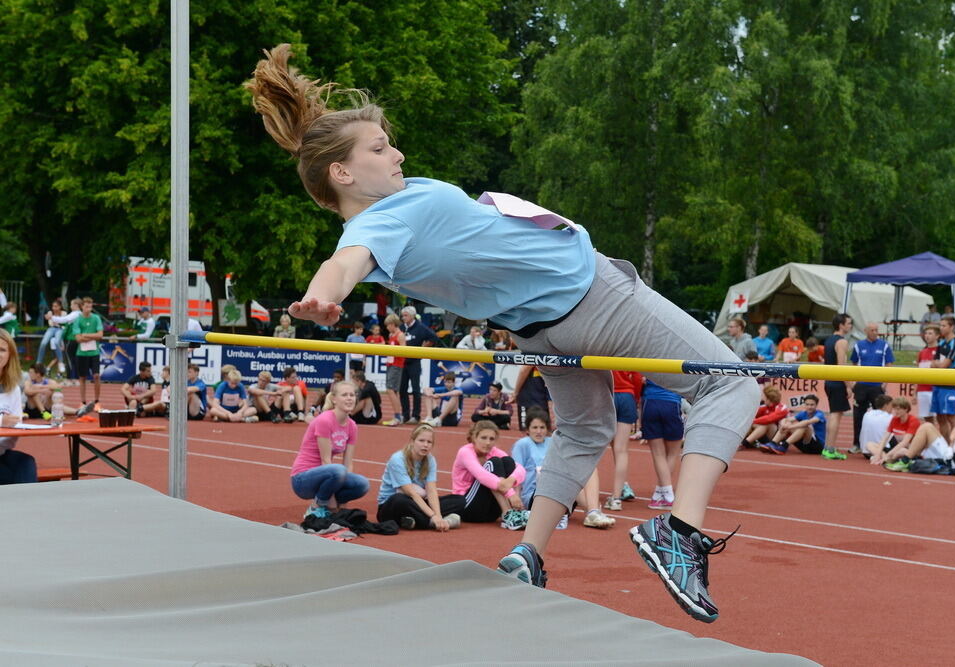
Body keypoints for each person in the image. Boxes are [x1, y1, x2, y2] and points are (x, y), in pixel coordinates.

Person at [248, 45, 759, 623]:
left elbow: (353, 253)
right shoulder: (380, 221)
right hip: (590, 295)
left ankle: (527, 552)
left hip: (541, 331)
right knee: (733, 384)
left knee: (585, 431)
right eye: (380, 147)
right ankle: (680, 532)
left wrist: (330, 283)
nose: (398, 152)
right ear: (343, 173)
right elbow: (345, 262)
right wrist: (324, 297)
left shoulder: (392, 207)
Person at [290, 380, 370, 519]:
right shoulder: (325, 420)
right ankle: (317, 507)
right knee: (338, 470)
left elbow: (348, 463)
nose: (349, 398)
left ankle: (330, 505)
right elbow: (325, 460)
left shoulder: (352, 426)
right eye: (344, 395)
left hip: (328, 476)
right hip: (303, 479)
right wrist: (331, 501)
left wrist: (343, 503)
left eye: (352, 395)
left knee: (362, 484)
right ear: (334, 399)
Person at [376, 424, 463, 530]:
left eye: (429, 442)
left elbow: (431, 491)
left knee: (459, 500)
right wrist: (433, 516)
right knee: (399, 500)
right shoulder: (398, 459)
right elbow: (412, 494)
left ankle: (413, 521)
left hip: (418, 503)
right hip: (391, 506)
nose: (425, 445)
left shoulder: (430, 460)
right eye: (421, 441)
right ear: (412, 441)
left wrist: (438, 515)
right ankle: (436, 523)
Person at [450, 419, 527, 528]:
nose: (488, 442)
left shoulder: (493, 451)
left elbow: (520, 469)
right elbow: (483, 476)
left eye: (492, 439)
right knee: (493, 463)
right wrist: (511, 494)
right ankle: (507, 513)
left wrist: (510, 480)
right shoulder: (465, 452)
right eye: (483, 438)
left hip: (490, 512)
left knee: (507, 461)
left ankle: (514, 512)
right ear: (474, 437)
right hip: (467, 508)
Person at [869, 397, 953, 470]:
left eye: (898, 409)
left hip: (912, 450)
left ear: (905, 409)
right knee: (869, 445)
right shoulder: (894, 419)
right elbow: (885, 438)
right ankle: (883, 458)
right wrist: (879, 453)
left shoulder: (913, 421)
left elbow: (905, 442)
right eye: (894, 409)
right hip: (899, 447)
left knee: (900, 451)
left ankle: (890, 458)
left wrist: (888, 455)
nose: (895, 411)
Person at [640, 380, 684, 509]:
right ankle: (668, 495)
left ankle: (660, 493)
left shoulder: (650, 359)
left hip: (650, 403)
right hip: (672, 403)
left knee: (658, 454)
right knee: (673, 453)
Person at [849, 322, 893, 452]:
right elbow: (854, 363)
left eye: (876, 330)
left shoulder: (884, 345)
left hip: (877, 387)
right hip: (861, 386)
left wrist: (885, 383)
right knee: (858, 416)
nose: (875, 332)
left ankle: (882, 443)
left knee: (881, 415)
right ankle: (857, 444)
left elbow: (889, 365)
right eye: (872, 330)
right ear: (866, 331)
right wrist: (853, 382)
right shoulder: (859, 345)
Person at [0, 329, 36, 484]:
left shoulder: (13, 388)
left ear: (10, 355)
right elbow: (6, 423)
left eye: (2, 350)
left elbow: (13, 433)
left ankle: (28, 508)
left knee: (25, 463)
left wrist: (11, 425)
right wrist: (2, 422)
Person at [604, 370, 643, 511]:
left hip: (608, 396)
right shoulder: (626, 349)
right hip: (627, 397)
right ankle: (616, 497)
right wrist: (636, 398)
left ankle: (584, 493)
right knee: (621, 449)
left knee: (596, 448)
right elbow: (637, 377)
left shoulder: (601, 349)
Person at [821, 314, 852, 460]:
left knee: (834, 414)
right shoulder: (842, 342)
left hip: (829, 380)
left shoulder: (828, 340)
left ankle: (828, 446)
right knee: (836, 415)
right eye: (849, 323)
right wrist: (849, 385)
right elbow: (841, 365)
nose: (850, 326)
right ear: (841, 325)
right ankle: (830, 448)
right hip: (837, 382)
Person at [399, 306, 436, 424]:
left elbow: (433, 337)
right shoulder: (401, 328)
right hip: (402, 362)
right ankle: (405, 415)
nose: (403, 318)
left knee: (415, 389)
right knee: (402, 389)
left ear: (413, 316)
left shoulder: (420, 327)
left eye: (406, 315)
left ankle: (416, 415)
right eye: (403, 315)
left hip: (414, 362)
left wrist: (423, 348)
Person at [759, 394, 826, 455]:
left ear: (816, 405)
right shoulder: (803, 413)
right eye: (807, 404)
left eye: (812, 405)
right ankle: (773, 443)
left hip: (817, 447)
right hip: (804, 446)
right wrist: (783, 425)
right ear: (804, 405)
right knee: (787, 423)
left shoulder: (820, 414)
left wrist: (790, 427)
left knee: (804, 426)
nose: (809, 407)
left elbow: (807, 422)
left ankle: (784, 446)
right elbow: (786, 419)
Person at [931, 315, 955, 436]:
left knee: (951, 417)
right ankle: (946, 447)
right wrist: (938, 364)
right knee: (940, 418)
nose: (941, 328)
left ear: (952, 327)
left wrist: (938, 364)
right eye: (940, 325)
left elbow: (944, 365)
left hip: (949, 386)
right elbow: (932, 363)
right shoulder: (942, 342)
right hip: (938, 384)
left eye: (944, 325)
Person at [74, 297, 103, 406]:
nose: (88, 309)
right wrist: (93, 336)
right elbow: (78, 338)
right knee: (82, 377)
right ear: (82, 307)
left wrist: (85, 335)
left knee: (96, 376)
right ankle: (83, 401)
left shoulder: (96, 318)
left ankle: (97, 401)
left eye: (90, 307)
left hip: (94, 352)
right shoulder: (77, 320)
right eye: (86, 307)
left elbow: (100, 335)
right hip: (81, 353)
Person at [380, 313, 406, 426]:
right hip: (390, 364)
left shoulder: (400, 335)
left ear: (392, 324)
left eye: (388, 325)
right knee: (393, 390)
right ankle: (397, 415)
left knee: (390, 390)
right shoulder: (391, 335)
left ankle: (397, 416)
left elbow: (404, 350)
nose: (386, 328)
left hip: (396, 365)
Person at [49, 298, 82, 382]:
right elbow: (66, 322)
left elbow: (64, 319)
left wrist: (51, 317)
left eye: (71, 304)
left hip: (71, 338)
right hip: (78, 339)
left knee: (69, 359)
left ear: (76, 305)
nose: (70, 306)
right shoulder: (81, 314)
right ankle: (77, 377)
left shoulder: (75, 314)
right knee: (75, 358)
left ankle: (70, 378)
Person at [511, 365, 551, 431]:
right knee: (544, 429)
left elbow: (524, 369)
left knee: (528, 430)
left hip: (529, 394)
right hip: (540, 393)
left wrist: (515, 393)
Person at [914, 325, 939, 423]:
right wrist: (914, 393)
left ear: (937, 336)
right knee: (926, 418)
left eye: (930, 333)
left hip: (935, 389)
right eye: (926, 333)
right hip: (922, 389)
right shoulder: (921, 352)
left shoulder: (940, 351)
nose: (927, 336)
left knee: (939, 418)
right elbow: (917, 373)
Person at [38, 298, 67, 374]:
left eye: (56, 306)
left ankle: (61, 362)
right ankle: (39, 362)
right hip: (51, 329)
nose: (54, 308)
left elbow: (62, 323)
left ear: (60, 307)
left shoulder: (64, 313)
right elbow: (48, 318)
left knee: (57, 342)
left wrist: (54, 319)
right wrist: (47, 316)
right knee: (43, 343)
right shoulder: (50, 312)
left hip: (60, 329)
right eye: (53, 306)